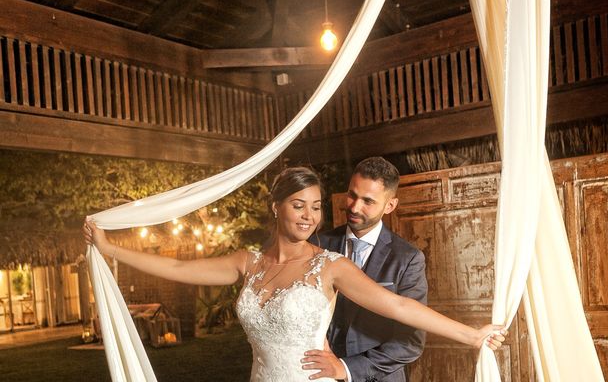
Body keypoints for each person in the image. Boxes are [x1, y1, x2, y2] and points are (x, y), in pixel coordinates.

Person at [84, 166, 505, 382]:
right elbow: (177, 267)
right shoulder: (245, 262)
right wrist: (110, 249)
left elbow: (397, 304)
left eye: (317, 206)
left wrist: (472, 335)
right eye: (299, 204)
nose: (309, 216)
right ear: (276, 207)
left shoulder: (330, 266)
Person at [307, 157, 428, 382]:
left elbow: (410, 341)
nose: (354, 207)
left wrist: (347, 368)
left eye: (368, 201)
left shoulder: (408, 259)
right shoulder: (317, 245)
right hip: (317, 374)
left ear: (390, 206)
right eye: (352, 195)